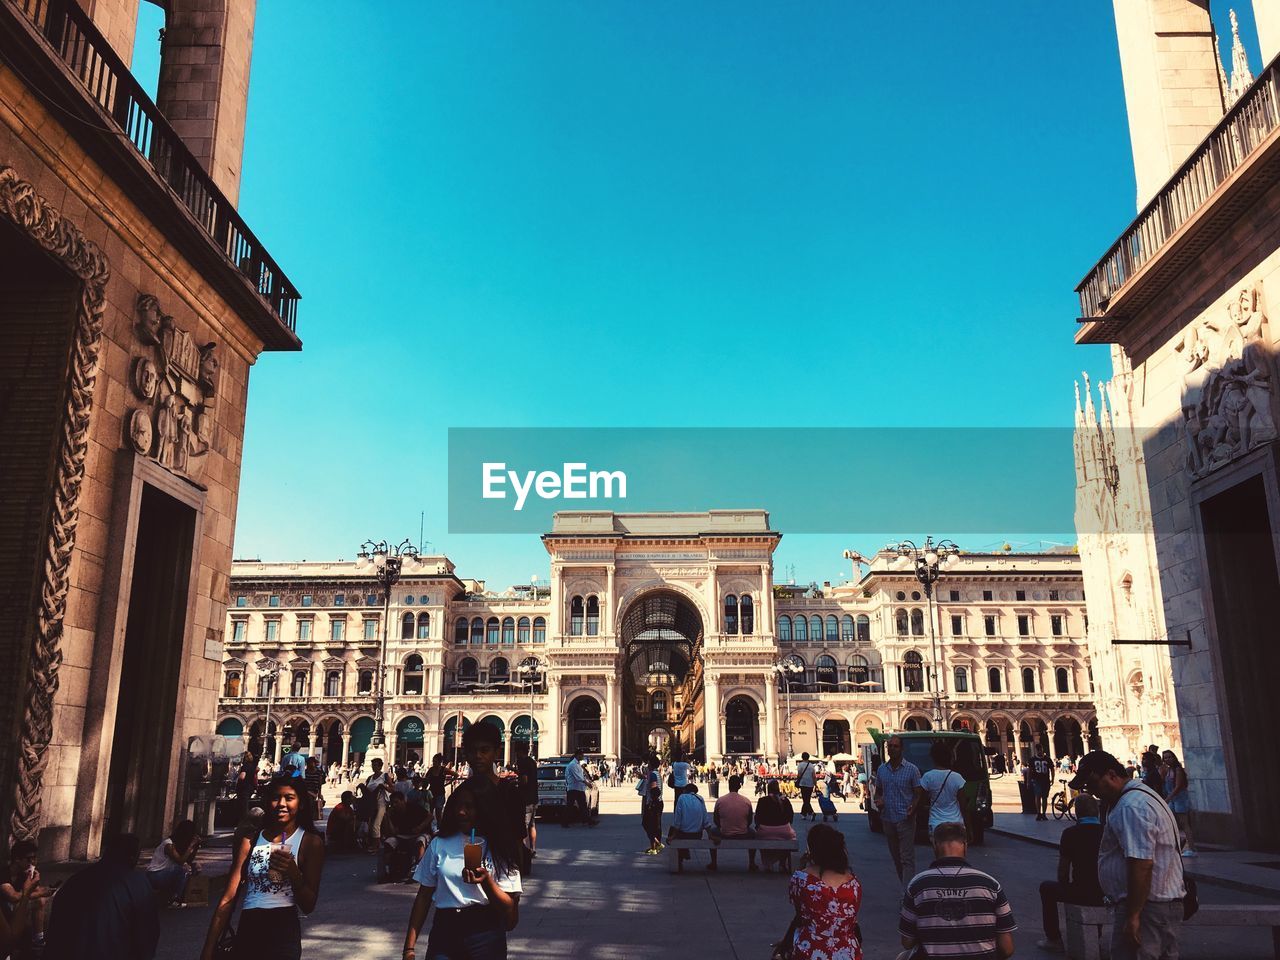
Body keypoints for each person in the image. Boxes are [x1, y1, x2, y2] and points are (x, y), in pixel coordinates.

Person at [1071, 750, 1186, 960]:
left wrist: (1133, 915)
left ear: (1112, 774)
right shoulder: (1143, 796)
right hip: (1156, 906)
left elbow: (1141, 864)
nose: (1093, 792)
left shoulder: (1131, 806)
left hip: (1147, 908)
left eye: (1094, 784)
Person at [199, 776, 326, 960]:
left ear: (301, 804)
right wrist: (208, 949)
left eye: (289, 798)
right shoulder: (249, 842)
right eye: (276, 798)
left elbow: (308, 905)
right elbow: (228, 898)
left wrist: (293, 872)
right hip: (250, 926)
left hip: (284, 930)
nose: (281, 804)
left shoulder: (310, 843)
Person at [402, 783, 522, 960]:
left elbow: (509, 907)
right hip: (445, 931)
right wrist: (409, 947)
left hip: (484, 932)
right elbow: (423, 896)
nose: (461, 812)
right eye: (458, 806)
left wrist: (486, 881)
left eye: (469, 807)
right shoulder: (439, 844)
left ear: (483, 809)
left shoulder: (499, 848)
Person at [899, 822, 1016, 960]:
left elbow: (907, 942)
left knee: (903, 957)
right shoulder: (990, 885)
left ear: (935, 845)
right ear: (965, 845)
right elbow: (1007, 948)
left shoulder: (917, 885)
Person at [44, 833, 159, 960]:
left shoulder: (75, 881)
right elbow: (147, 933)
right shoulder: (137, 883)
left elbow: (55, 931)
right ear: (132, 858)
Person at [1036, 793, 1105, 953]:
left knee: (1046, 889)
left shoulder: (1071, 833)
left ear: (1078, 813)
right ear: (1097, 812)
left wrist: (1065, 887)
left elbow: (1063, 871)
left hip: (1081, 891)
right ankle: (1097, 935)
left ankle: (1053, 938)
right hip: (1106, 891)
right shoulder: (1106, 831)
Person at [787, 824, 863, 960]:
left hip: (810, 949)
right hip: (847, 951)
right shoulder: (853, 883)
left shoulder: (801, 879)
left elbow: (800, 915)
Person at [874, 734, 924, 888]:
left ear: (902, 749)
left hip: (905, 819)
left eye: (895, 746)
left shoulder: (912, 770)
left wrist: (913, 807)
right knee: (896, 857)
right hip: (888, 819)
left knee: (906, 858)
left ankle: (907, 894)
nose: (892, 749)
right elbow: (878, 792)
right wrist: (879, 800)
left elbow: (918, 793)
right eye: (890, 746)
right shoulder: (882, 769)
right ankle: (907, 886)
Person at [1, 840, 49, 954]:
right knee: (28, 902)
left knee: (40, 900)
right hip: (4, 911)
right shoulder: (4, 873)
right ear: (17, 859)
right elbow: (13, 896)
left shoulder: (23, 874)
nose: (32, 862)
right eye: (29, 859)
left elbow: (35, 891)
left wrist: (47, 890)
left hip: (14, 907)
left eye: (34, 858)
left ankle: (38, 939)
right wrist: (40, 893)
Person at [143, 819, 201, 906]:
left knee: (195, 867)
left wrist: (195, 847)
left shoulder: (179, 844)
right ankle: (175, 900)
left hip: (167, 873)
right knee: (182, 870)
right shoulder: (168, 844)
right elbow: (180, 862)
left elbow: (187, 861)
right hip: (155, 875)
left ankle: (183, 896)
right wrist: (191, 846)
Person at [709, 775, 756, 871]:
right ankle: (752, 862)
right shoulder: (746, 801)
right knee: (753, 833)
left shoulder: (720, 800)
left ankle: (713, 862)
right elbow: (750, 821)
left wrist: (723, 826)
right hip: (743, 833)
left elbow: (715, 820)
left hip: (724, 833)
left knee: (712, 832)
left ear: (729, 785)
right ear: (739, 786)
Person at [921, 740, 968, 837]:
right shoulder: (957, 778)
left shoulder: (927, 777)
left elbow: (921, 801)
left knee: (939, 851)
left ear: (933, 758)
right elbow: (964, 806)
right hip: (956, 823)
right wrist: (969, 829)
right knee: (958, 851)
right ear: (949, 757)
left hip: (936, 824)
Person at [753, 779, 796, 873]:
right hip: (784, 831)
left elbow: (757, 817)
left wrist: (759, 827)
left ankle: (768, 864)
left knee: (761, 836)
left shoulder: (762, 800)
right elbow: (790, 817)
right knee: (789, 837)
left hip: (765, 831)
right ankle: (782, 863)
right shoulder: (785, 800)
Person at [1161, 750, 1197, 857]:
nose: (1167, 759)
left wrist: (1168, 798)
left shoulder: (1178, 770)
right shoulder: (1168, 770)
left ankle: (1192, 848)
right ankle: (1178, 842)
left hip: (1179, 799)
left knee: (1184, 823)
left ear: (1174, 757)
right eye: (1165, 758)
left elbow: (1178, 786)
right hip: (1173, 800)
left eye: (1169, 757)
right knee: (1170, 821)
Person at [668, 783, 710, 871]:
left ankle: (680, 859)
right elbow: (705, 819)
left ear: (685, 790)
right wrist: (710, 834)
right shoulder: (700, 798)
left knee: (673, 830)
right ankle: (684, 852)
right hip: (697, 834)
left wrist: (673, 835)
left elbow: (677, 820)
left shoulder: (681, 798)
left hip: (684, 834)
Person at [513, 740, 539, 865]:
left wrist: (515, 783)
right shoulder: (532, 762)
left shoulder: (522, 762)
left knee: (524, 825)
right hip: (534, 797)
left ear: (519, 751)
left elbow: (524, 780)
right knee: (532, 825)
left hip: (526, 799)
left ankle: (524, 850)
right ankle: (533, 849)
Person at [364, 758, 392, 849]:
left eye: (375, 765)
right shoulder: (370, 778)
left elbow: (392, 789)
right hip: (371, 803)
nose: (373, 767)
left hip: (381, 802)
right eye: (372, 765)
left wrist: (384, 787)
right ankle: (372, 842)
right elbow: (366, 791)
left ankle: (375, 845)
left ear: (380, 766)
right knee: (370, 823)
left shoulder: (384, 776)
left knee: (376, 824)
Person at [562, 749, 594, 828]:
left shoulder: (577, 764)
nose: (583, 757)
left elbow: (581, 775)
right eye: (582, 755)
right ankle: (565, 822)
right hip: (574, 788)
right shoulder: (572, 765)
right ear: (578, 755)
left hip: (578, 788)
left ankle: (587, 820)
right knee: (571, 806)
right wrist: (587, 783)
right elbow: (578, 777)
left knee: (582, 805)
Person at [640, 752, 664, 855]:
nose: (647, 765)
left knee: (646, 824)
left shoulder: (653, 774)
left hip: (654, 803)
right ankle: (653, 847)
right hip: (658, 802)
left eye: (649, 763)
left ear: (651, 764)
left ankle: (657, 844)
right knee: (655, 825)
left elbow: (654, 788)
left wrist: (650, 802)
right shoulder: (657, 773)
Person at [425, 754, 458, 823]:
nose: (434, 763)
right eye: (433, 761)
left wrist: (448, 783)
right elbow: (426, 779)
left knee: (438, 812)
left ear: (439, 762)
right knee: (430, 812)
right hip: (431, 793)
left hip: (440, 793)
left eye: (435, 761)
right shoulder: (431, 770)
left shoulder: (443, 769)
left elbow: (456, 775)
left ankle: (440, 828)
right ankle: (429, 828)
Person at [233, 751, 258, 823]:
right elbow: (256, 773)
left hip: (243, 788)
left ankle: (244, 824)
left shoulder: (245, 766)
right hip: (250, 787)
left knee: (243, 808)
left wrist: (236, 777)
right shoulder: (253, 765)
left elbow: (242, 777)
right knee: (245, 806)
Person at [1031, 745, 1054, 821]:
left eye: (1040, 750)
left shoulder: (1047, 759)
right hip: (1036, 780)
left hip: (1045, 780)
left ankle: (1043, 813)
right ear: (1036, 750)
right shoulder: (1032, 759)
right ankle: (1038, 813)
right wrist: (1028, 781)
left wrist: (1052, 778)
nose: (1040, 751)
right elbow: (1029, 770)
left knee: (1044, 797)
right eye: (1038, 750)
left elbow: (1052, 769)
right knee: (1038, 796)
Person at [795, 752, 817, 821]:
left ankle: (811, 812)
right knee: (807, 799)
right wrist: (815, 784)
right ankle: (803, 814)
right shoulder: (811, 765)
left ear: (802, 757)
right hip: (810, 784)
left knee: (805, 800)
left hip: (803, 784)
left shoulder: (800, 765)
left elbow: (799, 775)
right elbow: (814, 776)